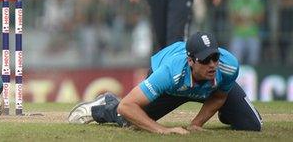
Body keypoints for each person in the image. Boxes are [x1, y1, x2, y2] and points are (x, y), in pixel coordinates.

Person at [68, 31, 262, 133]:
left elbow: (220, 95)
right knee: (130, 120)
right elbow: (128, 106)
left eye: (215, 58)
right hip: (173, 88)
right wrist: (163, 131)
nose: (212, 65)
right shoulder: (170, 72)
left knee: (252, 125)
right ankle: (104, 106)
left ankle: (228, 115)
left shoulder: (228, 66)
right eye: (205, 60)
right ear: (191, 60)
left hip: (207, 91)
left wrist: (197, 123)